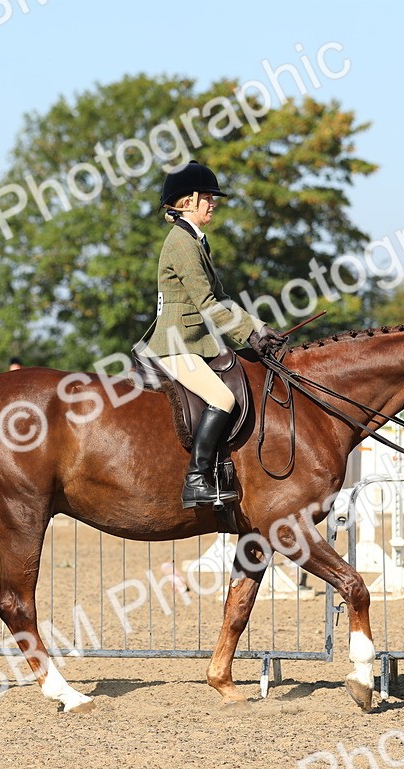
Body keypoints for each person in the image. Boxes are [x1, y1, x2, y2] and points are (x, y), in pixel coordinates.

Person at [135, 160, 286, 508]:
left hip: (195, 341)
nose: (213, 202)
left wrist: (258, 328)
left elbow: (221, 297)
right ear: (186, 201)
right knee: (223, 399)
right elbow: (205, 302)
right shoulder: (181, 243)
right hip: (176, 344)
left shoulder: (195, 240)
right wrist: (247, 336)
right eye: (207, 197)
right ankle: (197, 479)